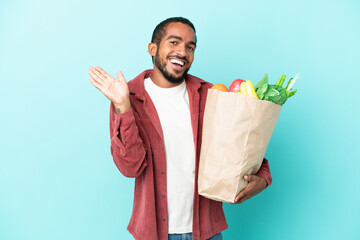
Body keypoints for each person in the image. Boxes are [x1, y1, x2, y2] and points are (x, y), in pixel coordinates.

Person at [88, 17, 272, 240]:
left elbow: (241, 145)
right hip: (154, 233)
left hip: (206, 232)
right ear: (153, 48)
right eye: (173, 42)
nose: (183, 52)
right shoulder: (128, 97)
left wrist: (262, 178)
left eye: (190, 47)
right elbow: (131, 168)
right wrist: (122, 106)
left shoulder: (210, 94)